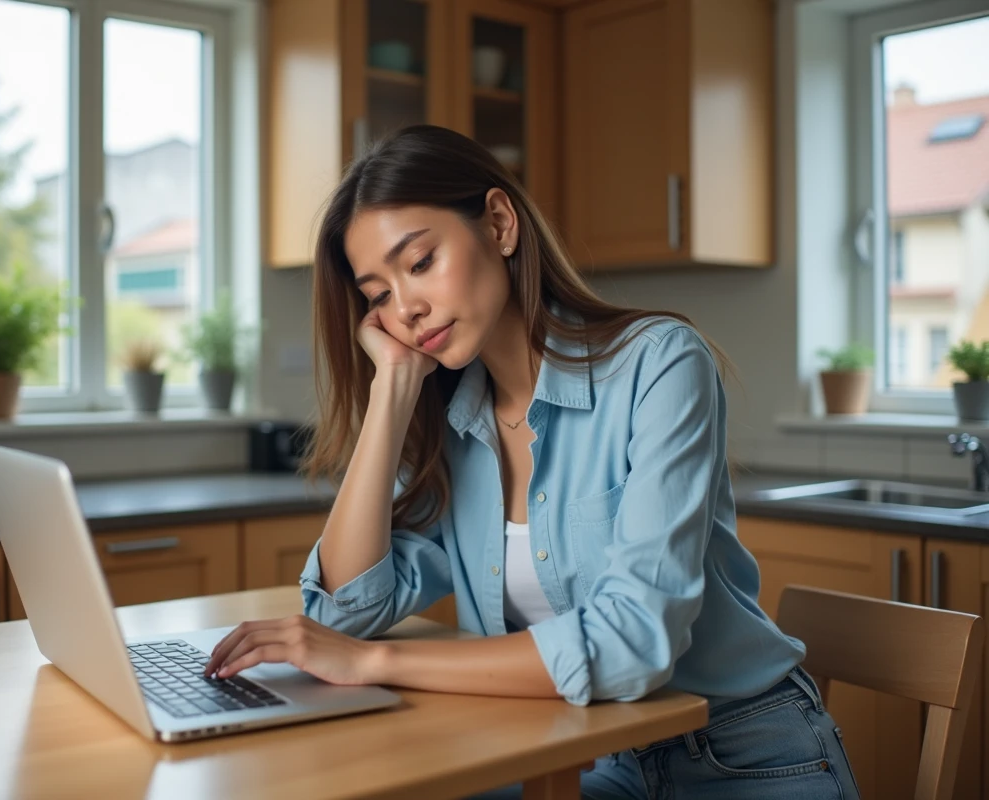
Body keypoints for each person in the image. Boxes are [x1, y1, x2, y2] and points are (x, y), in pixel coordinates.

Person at [204, 125, 860, 799]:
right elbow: (340, 615)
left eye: (420, 262)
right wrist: (391, 392)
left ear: (499, 223)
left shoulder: (659, 364)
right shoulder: (452, 421)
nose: (406, 308)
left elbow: (634, 643)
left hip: (740, 760)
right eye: (377, 295)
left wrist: (378, 662)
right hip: (585, 758)